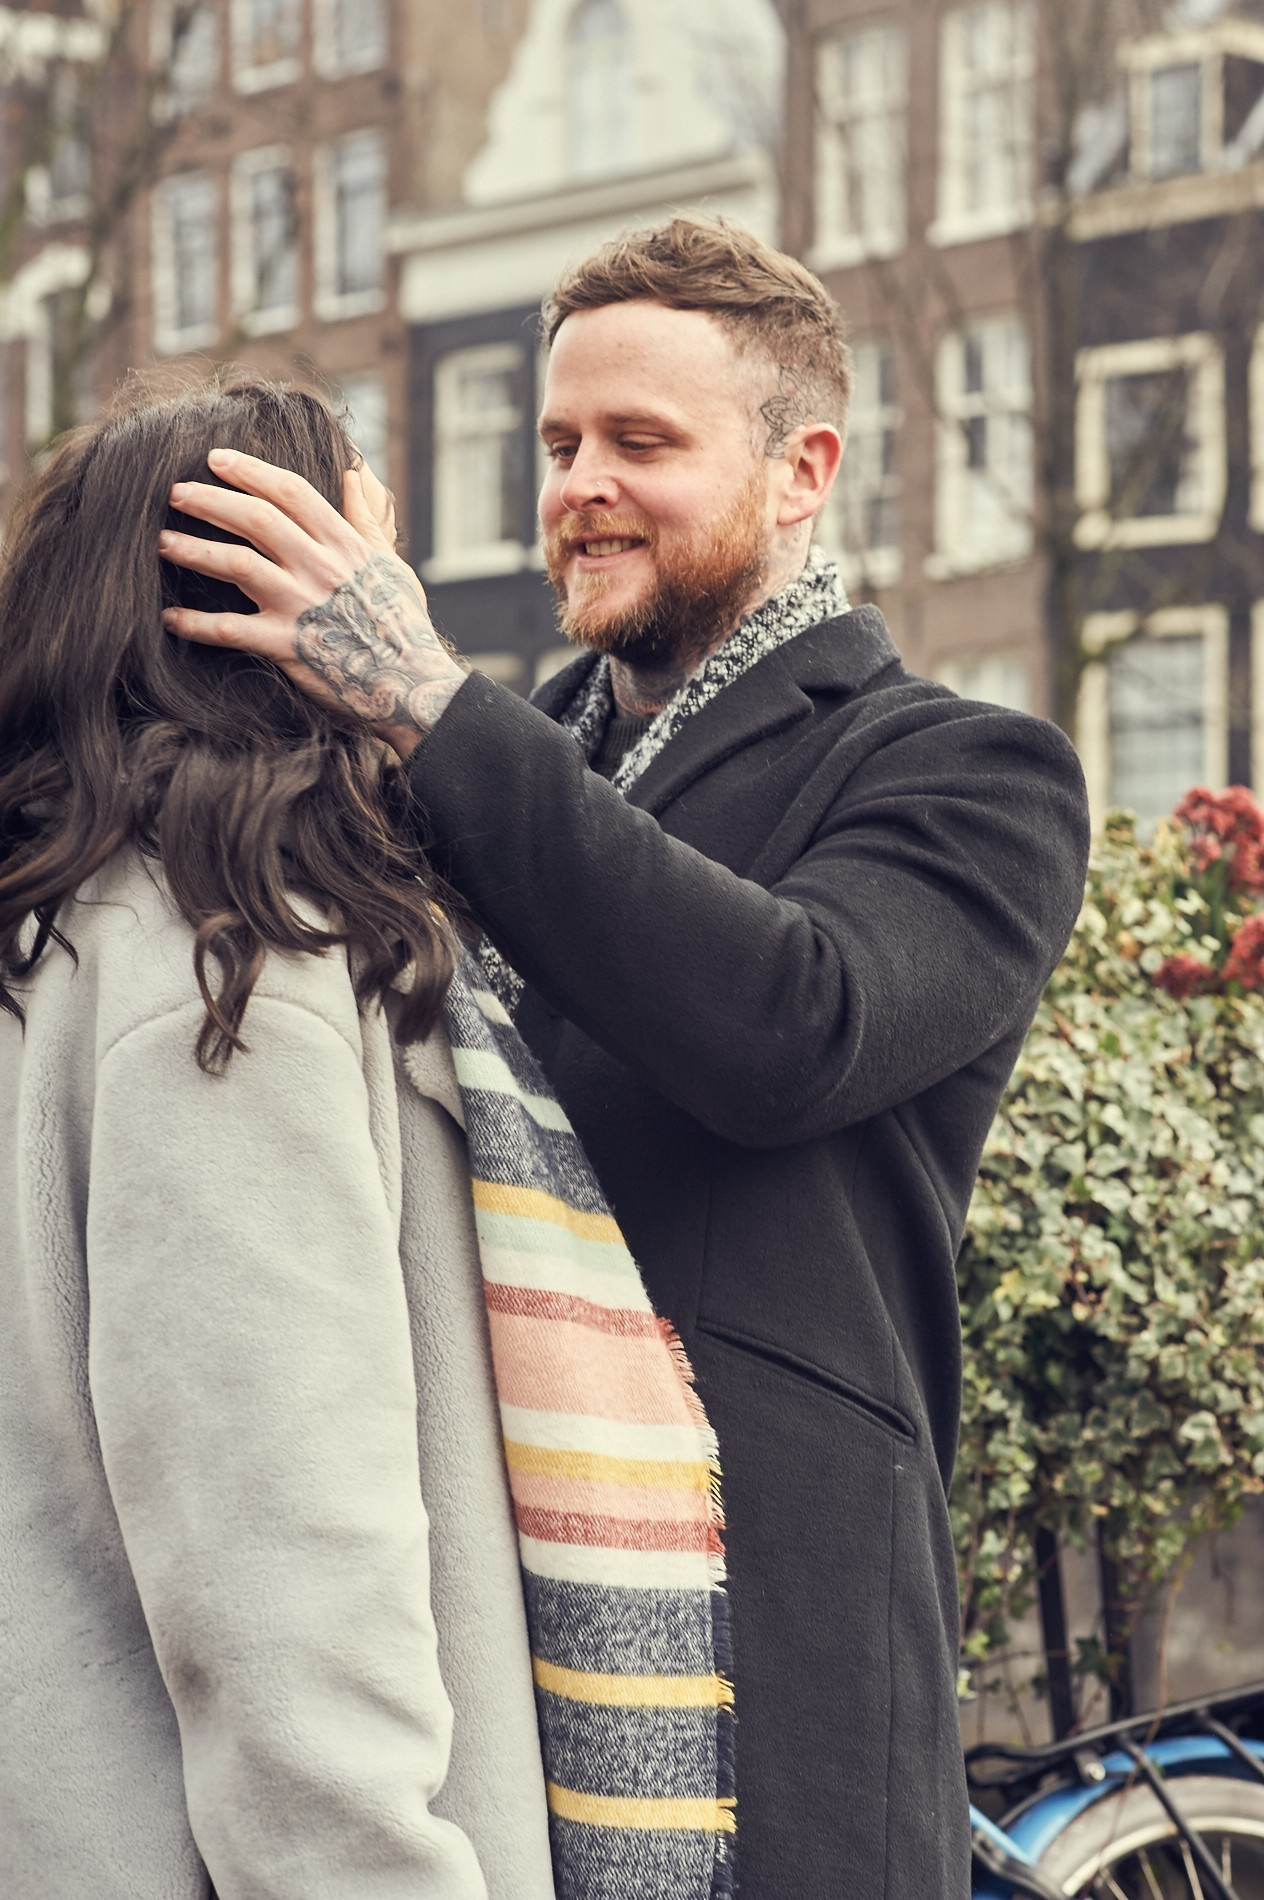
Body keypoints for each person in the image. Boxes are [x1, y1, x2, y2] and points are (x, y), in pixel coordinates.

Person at [161, 219, 1091, 1898]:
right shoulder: (486, 761)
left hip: (763, 1650)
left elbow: (793, 1025)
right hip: (459, 1587)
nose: (580, 487)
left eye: (641, 443)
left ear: (803, 472)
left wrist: (423, 698)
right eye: (560, 444)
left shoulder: (972, 773)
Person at [0, 376, 737, 1900]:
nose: (392, 604)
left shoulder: (64, 931)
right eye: (362, 558)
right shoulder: (228, 969)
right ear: (272, 613)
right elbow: (284, 1570)